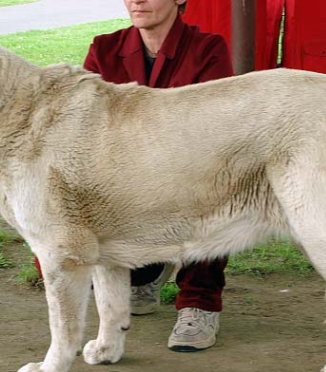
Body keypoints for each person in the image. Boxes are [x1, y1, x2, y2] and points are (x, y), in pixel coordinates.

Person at [83, 0, 233, 352]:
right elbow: (86, 123)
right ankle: (147, 276)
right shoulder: (103, 48)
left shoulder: (209, 49)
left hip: (189, 172)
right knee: (55, 256)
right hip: (122, 177)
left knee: (218, 185)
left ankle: (200, 302)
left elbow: (210, 127)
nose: (137, 0)